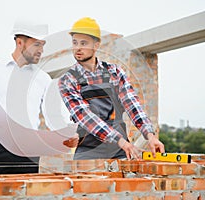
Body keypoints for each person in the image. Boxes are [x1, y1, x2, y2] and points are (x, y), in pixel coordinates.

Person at [59, 17, 165, 160]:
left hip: (120, 152)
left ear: (96, 45)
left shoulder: (114, 72)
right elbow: (86, 118)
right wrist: (121, 141)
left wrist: (150, 136)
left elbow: (132, 105)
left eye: (83, 43)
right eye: (75, 42)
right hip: (88, 154)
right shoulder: (68, 80)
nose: (78, 48)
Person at [0, 19, 52, 174]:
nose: (41, 50)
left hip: (29, 151)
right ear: (20, 42)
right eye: (37, 44)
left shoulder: (44, 79)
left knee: (26, 197)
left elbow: (52, 115)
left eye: (43, 45)